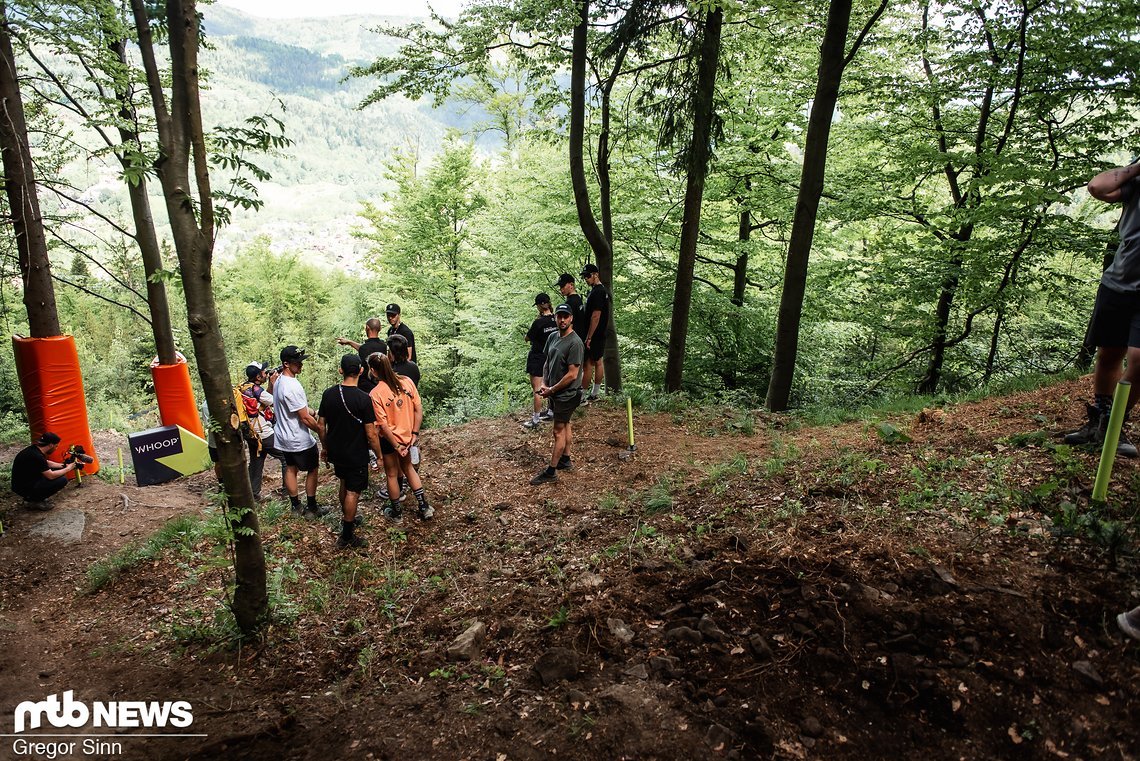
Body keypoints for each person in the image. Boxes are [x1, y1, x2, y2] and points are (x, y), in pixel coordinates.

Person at [1065, 158, 1140, 457]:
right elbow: (1097, 186)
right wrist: (1136, 167)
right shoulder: (1135, 184)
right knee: (1109, 354)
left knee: (1139, 361)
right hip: (1118, 284)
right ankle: (1100, 419)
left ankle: (1111, 423)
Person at [317, 354, 383, 549]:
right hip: (356, 453)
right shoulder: (364, 399)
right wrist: (379, 456)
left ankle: (347, 517)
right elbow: (371, 434)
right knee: (353, 492)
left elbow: (321, 426)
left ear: (341, 371)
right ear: (361, 371)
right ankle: (347, 535)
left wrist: (325, 447)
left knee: (344, 482)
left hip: (337, 451)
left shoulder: (329, 394)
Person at [367, 352, 433, 521]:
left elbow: (382, 424)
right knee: (409, 469)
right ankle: (424, 506)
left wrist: (396, 446)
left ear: (373, 371)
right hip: (408, 437)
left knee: (391, 474)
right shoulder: (407, 382)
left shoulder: (376, 393)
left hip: (390, 441)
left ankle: (397, 512)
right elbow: (418, 409)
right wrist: (414, 434)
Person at [530, 303, 584, 485]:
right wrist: (545, 383)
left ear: (571, 318)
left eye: (565, 316)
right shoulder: (553, 336)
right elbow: (547, 362)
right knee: (566, 424)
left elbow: (572, 374)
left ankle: (551, 471)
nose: (562, 320)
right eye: (559, 316)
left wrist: (552, 390)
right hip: (555, 392)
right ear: (555, 317)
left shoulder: (575, 343)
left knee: (558, 430)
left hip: (567, 394)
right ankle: (565, 459)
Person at [271, 345, 328, 517]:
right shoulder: (292, 386)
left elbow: (298, 409)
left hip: (284, 436)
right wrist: (319, 428)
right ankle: (312, 507)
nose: (301, 365)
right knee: (313, 468)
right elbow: (303, 417)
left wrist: (313, 411)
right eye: (297, 363)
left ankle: (295, 505)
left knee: (291, 468)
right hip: (298, 438)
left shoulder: (279, 381)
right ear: (286, 364)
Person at [238, 361, 281, 501]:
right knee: (286, 457)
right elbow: (277, 402)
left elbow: (261, 402)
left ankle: (253, 495)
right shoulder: (256, 390)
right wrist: (275, 383)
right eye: (263, 372)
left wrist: (270, 384)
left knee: (256, 461)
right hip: (263, 433)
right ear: (257, 376)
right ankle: (288, 491)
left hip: (251, 433)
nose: (265, 373)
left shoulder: (245, 387)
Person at [10, 432, 77, 507]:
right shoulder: (37, 456)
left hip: (23, 483)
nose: (56, 448)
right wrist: (68, 469)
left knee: (58, 472)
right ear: (51, 445)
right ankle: (34, 500)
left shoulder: (34, 449)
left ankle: (32, 497)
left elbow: (46, 463)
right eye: (56, 446)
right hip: (23, 487)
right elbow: (50, 476)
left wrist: (64, 466)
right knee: (62, 480)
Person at [523, 292, 557, 428]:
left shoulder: (538, 322)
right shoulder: (556, 319)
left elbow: (527, 338)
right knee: (551, 385)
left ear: (539, 305)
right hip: (552, 357)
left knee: (537, 389)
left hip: (538, 357)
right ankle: (551, 411)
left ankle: (535, 420)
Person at [579, 263, 611, 402]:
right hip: (598, 334)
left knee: (589, 364)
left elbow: (596, 316)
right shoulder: (598, 290)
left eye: (587, 275)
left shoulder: (598, 292)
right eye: (584, 276)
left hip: (596, 334)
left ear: (595, 274)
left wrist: (589, 337)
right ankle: (594, 393)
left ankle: (582, 396)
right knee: (597, 362)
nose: (585, 278)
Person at [337, 318, 387, 394]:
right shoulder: (383, 346)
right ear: (380, 328)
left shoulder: (364, 349)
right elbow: (365, 348)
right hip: (381, 385)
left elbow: (364, 348)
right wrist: (349, 342)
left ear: (367, 328)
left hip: (365, 388)